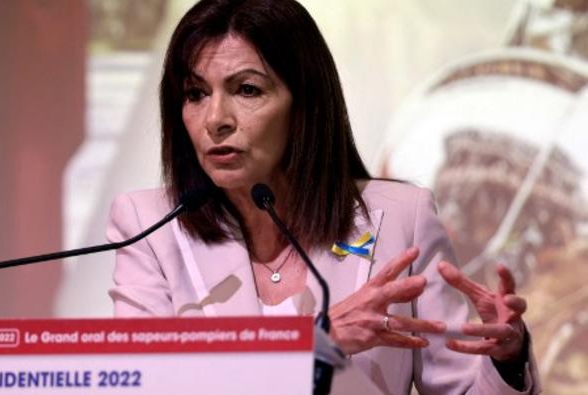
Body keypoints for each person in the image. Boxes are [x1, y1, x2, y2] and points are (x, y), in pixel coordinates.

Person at [107, 0, 540, 393]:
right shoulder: (147, 227)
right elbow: (143, 385)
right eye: (196, 94)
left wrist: (507, 361)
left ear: (305, 104)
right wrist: (314, 344)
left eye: (247, 90)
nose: (215, 119)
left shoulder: (401, 218)